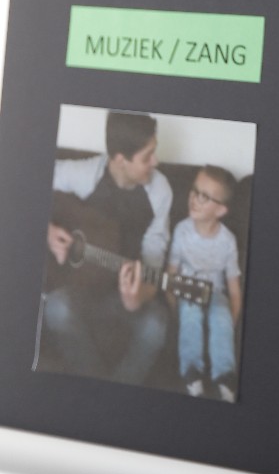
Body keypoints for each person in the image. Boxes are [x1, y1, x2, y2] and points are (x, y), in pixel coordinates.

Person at [43, 111, 171, 385]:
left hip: (124, 296)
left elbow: (154, 259)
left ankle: (116, 392)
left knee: (156, 325)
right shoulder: (86, 174)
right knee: (55, 307)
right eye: (147, 156)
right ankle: (97, 387)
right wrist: (48, 230)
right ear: (120, 160)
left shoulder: (160, 191)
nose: (156, 162)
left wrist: (139, 297)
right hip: (83, 288)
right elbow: (22, 180)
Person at [167, 165, 243, 401]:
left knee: (220, 315)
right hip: (186, 290)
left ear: (221, 210)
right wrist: (176, 311)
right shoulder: (181, 230)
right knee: (190, 312)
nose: (194, 199)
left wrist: (228, 325)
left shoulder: (228, 241)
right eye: (194, 190)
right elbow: (170, 276)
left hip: (215, 294)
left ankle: (225, 377)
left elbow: (234, 290)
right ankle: (192, 374)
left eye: (204, 197)